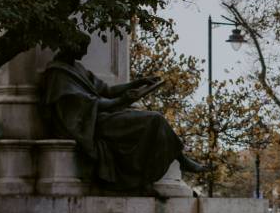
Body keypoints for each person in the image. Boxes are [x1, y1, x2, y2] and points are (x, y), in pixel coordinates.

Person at [40, 32, 206, 194]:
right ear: (72, 46)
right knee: (154, 119)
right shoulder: (58, 73)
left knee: (154, 120)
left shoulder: (78, 69)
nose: (86, 52)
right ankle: (178, 160)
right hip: (90, 124)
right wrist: (121, 101)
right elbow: (84, 105)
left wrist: (138, 83)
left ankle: (173, 162)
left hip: (102, 117)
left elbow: (108, 90)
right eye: (83, 47)